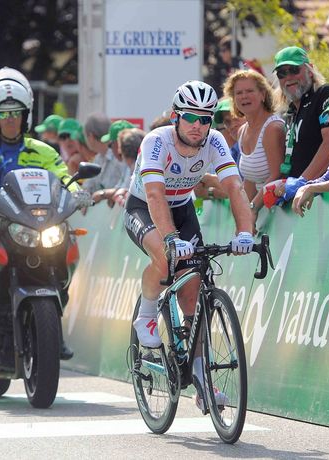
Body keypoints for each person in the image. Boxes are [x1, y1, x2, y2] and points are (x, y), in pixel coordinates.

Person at [0, 67, 91, 361]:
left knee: (64, 245)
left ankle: (54, 326)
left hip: (34, 223)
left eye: (16, 113)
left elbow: (63, 174)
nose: (11, 120)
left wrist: (77, 190)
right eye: (4, 114)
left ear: (26, 115)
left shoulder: (44, 151)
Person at [123, 80, 253, 411]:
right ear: (175, 116)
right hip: (144, 207)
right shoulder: (156, 141)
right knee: (165, 260)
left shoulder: (215, 142)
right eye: (191, 117)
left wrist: (244, 232)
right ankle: (147, 315)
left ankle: (201, 377)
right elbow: (153, 195)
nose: (198, 126)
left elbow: (235, 186)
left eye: (205, 119)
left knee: (193, 291)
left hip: (182, 208)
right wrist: (169, 240)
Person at [273, 46, 329, 202]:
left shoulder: (324, 94)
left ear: (310, 70)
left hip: (324, 199)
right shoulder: (290, 111)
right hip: (300, 199)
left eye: (294, 70)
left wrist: (302, 181)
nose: (288, 77)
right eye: (282, 73)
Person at [224, 70, 285, 226]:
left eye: (250, 91)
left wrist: (252, 209)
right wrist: (245, 217)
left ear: (263, 94)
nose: (244, 96)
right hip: (263, 214)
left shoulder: (272, 128)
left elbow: (276, 174)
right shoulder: (242, 131)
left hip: (282, 213)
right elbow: (249, 181)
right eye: (239, 93)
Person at [82, 113, 125, 199]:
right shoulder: (98, 158)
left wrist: (102, 194)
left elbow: (126, 187)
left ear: (91, 136)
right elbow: (87, 186)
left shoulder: (120, 157)